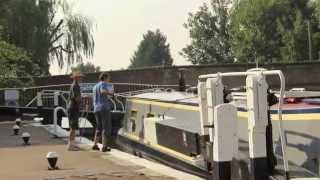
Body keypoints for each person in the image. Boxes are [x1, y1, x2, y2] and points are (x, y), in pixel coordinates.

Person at [92, 72, 114, 152]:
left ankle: (95, 144)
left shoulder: (94, 87)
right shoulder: (104, 83)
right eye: (108, 78)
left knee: (98, 127)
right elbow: (102, 91)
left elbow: (97, 96)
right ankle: (104, 146)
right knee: (106, 127)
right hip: (104, 108)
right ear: (105, 78)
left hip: (96, 108)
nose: (109, 79)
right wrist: (111, 93)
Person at [67, 71, 84, 151]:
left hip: (72, 107)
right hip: (73, 107)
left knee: (73, 127)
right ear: (76, 78)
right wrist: (83, 98)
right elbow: (77, 98)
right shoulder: (76, 86)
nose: (81, 78)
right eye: (80, 77)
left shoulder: (74, 85)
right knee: (73, 127)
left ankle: (72, 144)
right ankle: (70, 146)